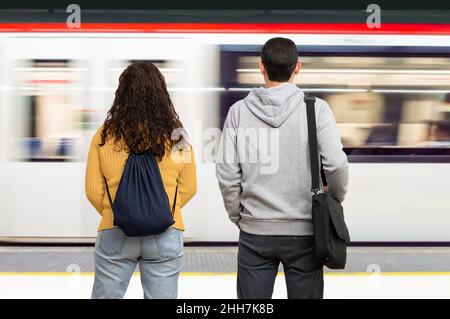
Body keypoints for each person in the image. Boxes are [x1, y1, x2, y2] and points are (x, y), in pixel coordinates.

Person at [216, 37, 349, 299]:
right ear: (297, 67)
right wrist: (332, 201)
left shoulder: (238, 112)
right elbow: (336, 164)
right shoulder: (317, 110)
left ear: (261, 67)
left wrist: (239, 216)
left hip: (255, 233)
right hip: (306, 232)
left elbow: (227, 174)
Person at [85, 62, 197, 299]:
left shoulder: (104, 134)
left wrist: (121, 211)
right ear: (162, 94)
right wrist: (157, 210)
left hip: (115, 230)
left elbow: (93, 191)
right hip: (165, 231)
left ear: (122, 93)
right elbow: (189, 188)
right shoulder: (177, 136)